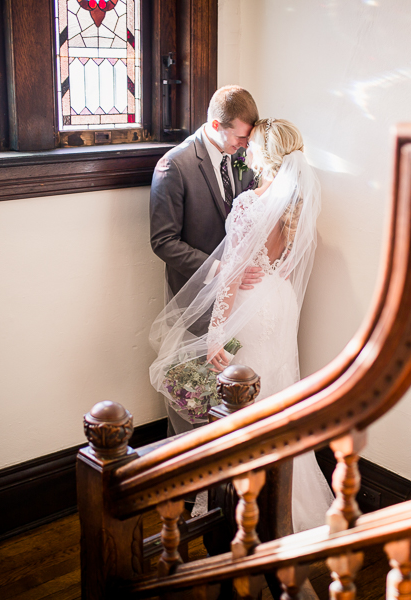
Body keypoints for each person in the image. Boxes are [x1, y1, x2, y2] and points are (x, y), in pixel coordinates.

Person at [150, 118, 334, 533]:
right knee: (278, 388)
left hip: (250, 304)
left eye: (251, 146)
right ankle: (286, 501)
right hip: (280, 301)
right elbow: (289, 262)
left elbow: (231, 277)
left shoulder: (249, 203)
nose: (244, 151)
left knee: (237, 399)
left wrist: (216, 333)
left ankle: (238, 500)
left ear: (263, 155)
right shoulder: (296, 203)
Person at [149, 85, 260, 298]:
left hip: (241, 293)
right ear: (216, 125)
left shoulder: (243, 156)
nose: (246, 145)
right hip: (197, 291)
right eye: (240, 137)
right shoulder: (175, 165)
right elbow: (164, 242)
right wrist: (222, 270)